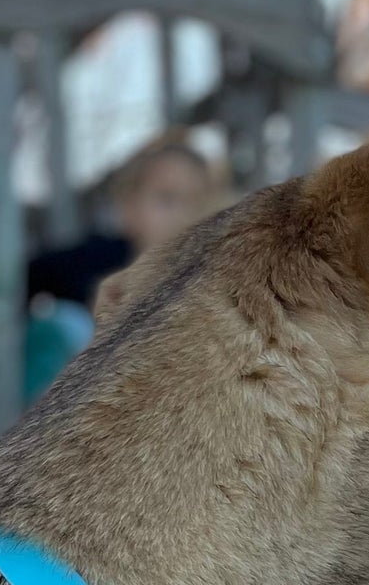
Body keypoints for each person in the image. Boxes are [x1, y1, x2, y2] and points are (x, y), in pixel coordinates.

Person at [23, 135, 224, 397]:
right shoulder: (94, 260)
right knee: (64, 324)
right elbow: (31, 275)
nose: (182, 216)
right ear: (128, 207)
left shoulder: (212, 275)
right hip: (88, 398)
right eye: (166, 199)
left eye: (196, 204)